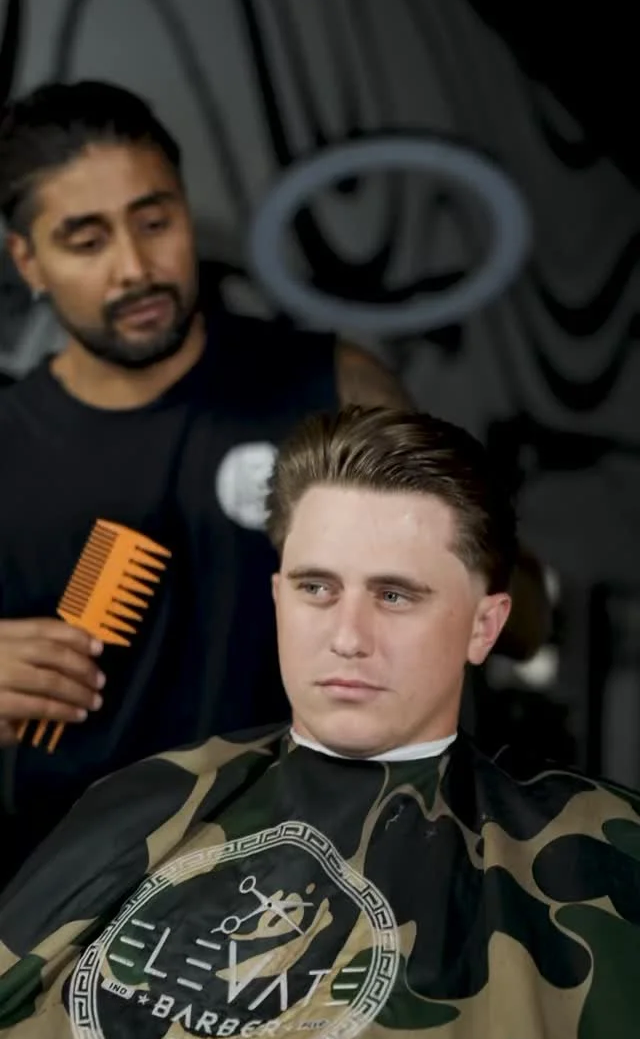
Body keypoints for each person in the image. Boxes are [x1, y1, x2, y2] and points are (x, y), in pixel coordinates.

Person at [0, 405, 636, 1039]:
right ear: (278, 597)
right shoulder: (140, 799)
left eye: (394, 595)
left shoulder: (602, 849)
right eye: (316, 588)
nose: (348, 637)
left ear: (484, 627)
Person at [0, 80, 416, 881]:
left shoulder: (336, 389)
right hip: (68, 902)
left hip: (319, 879)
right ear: (29, 261)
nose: (134, 269)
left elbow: (501, 611)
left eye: (155, 222)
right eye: (86, 241)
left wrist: (465, 556)